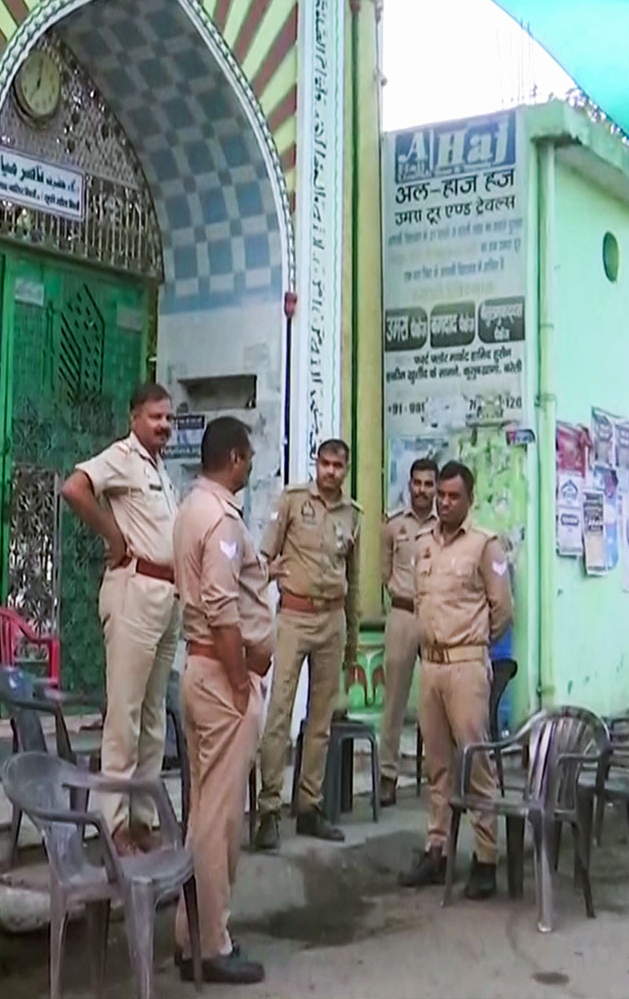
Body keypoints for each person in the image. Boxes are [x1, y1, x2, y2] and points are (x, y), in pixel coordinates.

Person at [172, 416, 272, 985]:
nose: (251, 465)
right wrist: (241, 680)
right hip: (221, 676)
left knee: (204, 812)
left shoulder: (191, 509)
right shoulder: (222, 521)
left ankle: (193, 936)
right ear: (234, 458)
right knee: (219, 819)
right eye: (249, 456)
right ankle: (212, 942)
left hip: (204, 669)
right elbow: (223, 607)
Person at [59, 381, 178, 857]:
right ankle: (113, 827)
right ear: (134, 419)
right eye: (155, 417)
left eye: (169, 418)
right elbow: (74, 488)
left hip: (168, 596)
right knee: (124, 717)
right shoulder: (121, 458)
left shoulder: (161, 472)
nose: (164, 425)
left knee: (153, 719)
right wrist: (112, 536)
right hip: (134, 591)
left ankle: (142, 819)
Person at [398, 460, 514, 899]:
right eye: (440, 496)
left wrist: (475, 643)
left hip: (466, 664)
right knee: (439, 766)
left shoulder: (485, 546)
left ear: (469, 499)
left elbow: (502, 610)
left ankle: (486, 857)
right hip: (430, 665)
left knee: (475, 760)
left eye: (453, 497)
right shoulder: (424, 543)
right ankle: (437, 848)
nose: (444, 503)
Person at [254, 439, 361, 849]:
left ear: (346, 470)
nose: (331, 471)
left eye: (339, 466)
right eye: (326, 463)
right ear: (316, 464)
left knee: (321, 719)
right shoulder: (294, 502)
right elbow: (265, 556)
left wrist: (350, 643)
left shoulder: (352, 515)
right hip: (294, 616)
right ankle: (268, 810)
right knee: (279, 713)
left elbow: (353, 582)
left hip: (332, 619)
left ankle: (309, 805)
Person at [378, 457, 439, 807]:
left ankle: (438, 774)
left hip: (434, 615)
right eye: (417, 483)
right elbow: (383, 571)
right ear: (409, 484)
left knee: (437, 698)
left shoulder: (443, 526)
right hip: (402, 614)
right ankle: (387, 776)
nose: (422, 490)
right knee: (394, 702)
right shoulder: (393, 525)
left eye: (429, 484)